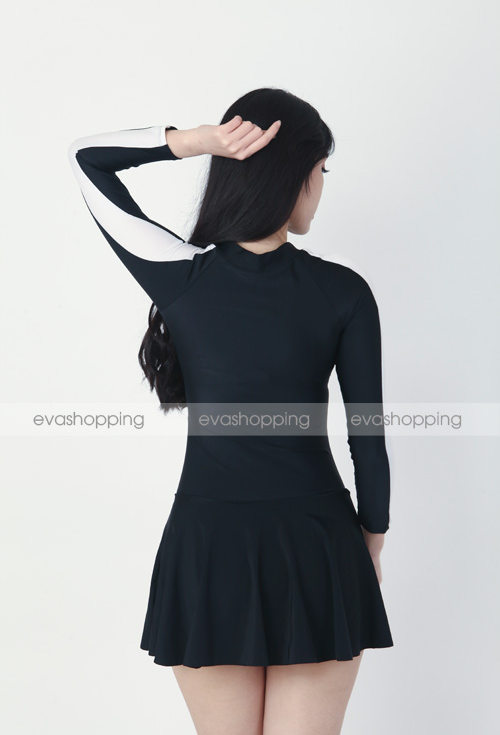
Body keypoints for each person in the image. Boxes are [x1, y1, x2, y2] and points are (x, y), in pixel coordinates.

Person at [68, 87, 393, 735]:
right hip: (318, 543)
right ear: (297, 175)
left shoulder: (182, 277)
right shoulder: (343, 292)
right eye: (321, 169)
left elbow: (88, 161)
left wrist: (194, 143)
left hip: (207, 546)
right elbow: (368, 438)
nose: (321, 187)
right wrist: (371, 544)